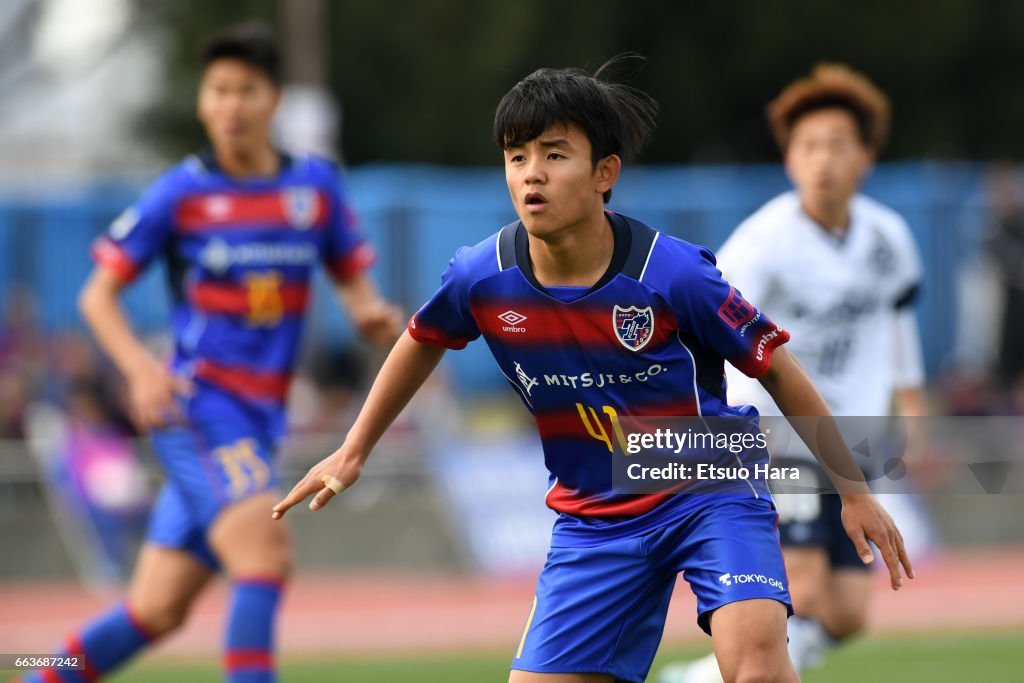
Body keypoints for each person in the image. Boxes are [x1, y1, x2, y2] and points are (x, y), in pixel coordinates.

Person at [271, 64, 913, 683]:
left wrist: (853, 491)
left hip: (711, 484)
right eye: (516, 156)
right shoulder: (481, 274)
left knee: (758, 671)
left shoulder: (674, 274)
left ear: (605, 173)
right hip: (594, 515)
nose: (532, 174)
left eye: (554, 154)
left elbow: (778, 368)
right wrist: (352, 451)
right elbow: (421, 339)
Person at [14, 23, 400, 683]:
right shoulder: (181, 193)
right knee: (266, 556)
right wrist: (139, 369)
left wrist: (369, 310)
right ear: (202, 101)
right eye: (218, 89)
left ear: (274, 99)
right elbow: (96, 296)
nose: (230, 105)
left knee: (155, 609)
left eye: (246, 89)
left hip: (261, 418)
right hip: (199, 408)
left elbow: (351, 275)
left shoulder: (315, 188)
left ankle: (33, 672)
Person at [658, 63, 928, 683]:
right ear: (788, 159)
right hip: (778, 431)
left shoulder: (890, 237)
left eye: (837, 144)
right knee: (801, 587)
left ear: (866, 155)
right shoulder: (764, 242)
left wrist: (913, 408)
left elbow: (897, 327)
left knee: (850, 612)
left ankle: (696, 679)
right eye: (807, 146)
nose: (822, 160)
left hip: (854, 440)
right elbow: (708, 324)